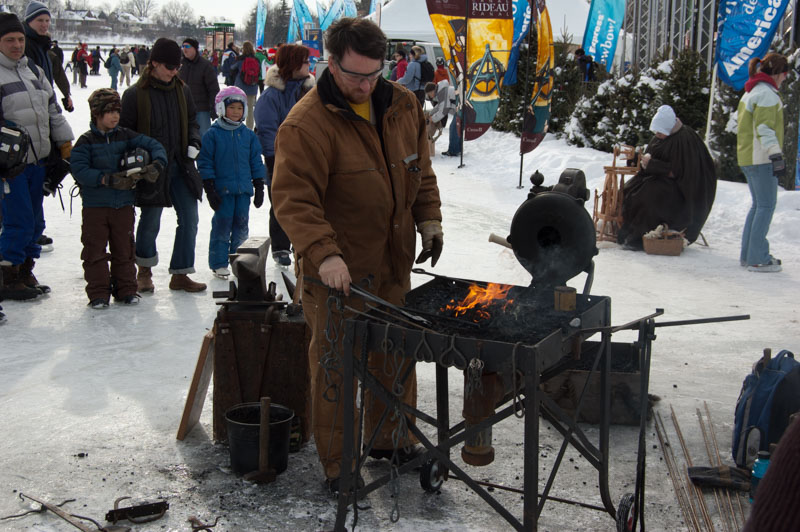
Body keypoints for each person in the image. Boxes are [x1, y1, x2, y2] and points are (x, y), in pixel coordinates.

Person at [271, 17, 443, 494]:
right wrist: (324, 254)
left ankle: (392, 440)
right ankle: (339, 464)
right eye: (354, 75)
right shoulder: (306, 124)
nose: (365, 85)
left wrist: (429, 219)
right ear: (330, 63)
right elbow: (293, 200)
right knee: (336, 368)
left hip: (392, 262)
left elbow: (421, 172)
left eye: (373, 74)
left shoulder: (403, 105)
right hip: (336, 276)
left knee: (395, 356)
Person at [120, 37, 206, 293]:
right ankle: (144, 271)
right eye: (169, 66)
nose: (174, 71)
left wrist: (194, 140)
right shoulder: (134, 95)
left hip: (181, 165)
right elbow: (125, 131)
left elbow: (192, 121)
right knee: (150, 220)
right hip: (152, 169)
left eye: (178, 66)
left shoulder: (183, 90)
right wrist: (142, 157)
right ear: (154, 63)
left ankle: (181, 273)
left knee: (190, 218)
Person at [70, 89, 167, 308]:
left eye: (117, 111)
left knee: (124, 249)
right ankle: (98, 293)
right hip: (96, 207)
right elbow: (79, 169)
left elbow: (154, 145)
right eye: (109, 112)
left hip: (123, 205)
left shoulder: (125, 135)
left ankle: (126, 290)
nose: (115, 116)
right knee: (94, 250)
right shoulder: (86, 141)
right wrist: (105, 179)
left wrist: (157, 164)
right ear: (96, 113)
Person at [0, 13, 74, 300]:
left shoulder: (33, 69)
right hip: (10, 166)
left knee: (35, 222)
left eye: (20, 39)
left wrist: (64, 142)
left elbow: (52, 109)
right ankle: (8, 276)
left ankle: (25, 271)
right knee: (17, 221)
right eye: (9, 40)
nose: (17, 45)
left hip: (38, 160)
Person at [616, 105, 717, 250]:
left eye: (659, 131)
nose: (657, 134)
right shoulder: (661, 136)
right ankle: (625, 231)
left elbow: (681, 171)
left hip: (680, 189)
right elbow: (653, 156)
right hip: (658, 178)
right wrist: (639, 160)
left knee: (648, 195)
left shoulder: (685, 140)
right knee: (630, 188)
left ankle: (640, 237)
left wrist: (652, 164)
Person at [254, 43, 314, 268]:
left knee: (308, 203)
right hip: (280, 159)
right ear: (293, 64)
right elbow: (266, 129)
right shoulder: (271, 96)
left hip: (309, 158)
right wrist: (272, 159)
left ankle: (304, 244)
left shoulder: (310, 91)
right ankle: (280, 246)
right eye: (305, 62)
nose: (309, 65)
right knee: (282, 204)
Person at [197, 87, 265, 279]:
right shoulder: (212, 134)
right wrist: (210, 188)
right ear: (221, 108)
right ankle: (219, 263)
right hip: (223, 191)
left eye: (239, 108)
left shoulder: (248, 135)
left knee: (241, 227)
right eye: (231, 107)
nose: (236, 112)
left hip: (243, 191)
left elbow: (255, 161)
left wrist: (259, 185)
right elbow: (205, 163)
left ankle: (239, 261)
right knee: (222, 226)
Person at [737, 53, 788, 273]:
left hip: (748, 157)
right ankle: (758, 258)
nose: (785, 79)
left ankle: (749, 255)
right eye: (785, 75)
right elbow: (764, 129)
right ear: (778, 73)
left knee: (758, 206)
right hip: (761, 158)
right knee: (766, 206)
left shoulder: (751, 92)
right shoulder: (767, 95)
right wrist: (776, 156)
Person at [179, 37, 219, 138]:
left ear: (195, 48)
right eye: (183, 46)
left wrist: (215, 107)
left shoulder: (205, 65)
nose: (184, 49)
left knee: (204, 137)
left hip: (201, 109)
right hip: (182, 108)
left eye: (187, 46)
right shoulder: (180, 65)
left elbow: (213, 88)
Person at [229, 41, 259, 129]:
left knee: (238, 108)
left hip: (240, 88)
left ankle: (238, 127)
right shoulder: (256, 60)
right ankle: (249, 128)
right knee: (250, 110)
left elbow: (232, 67)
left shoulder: (240, 59)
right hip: (252, 87)